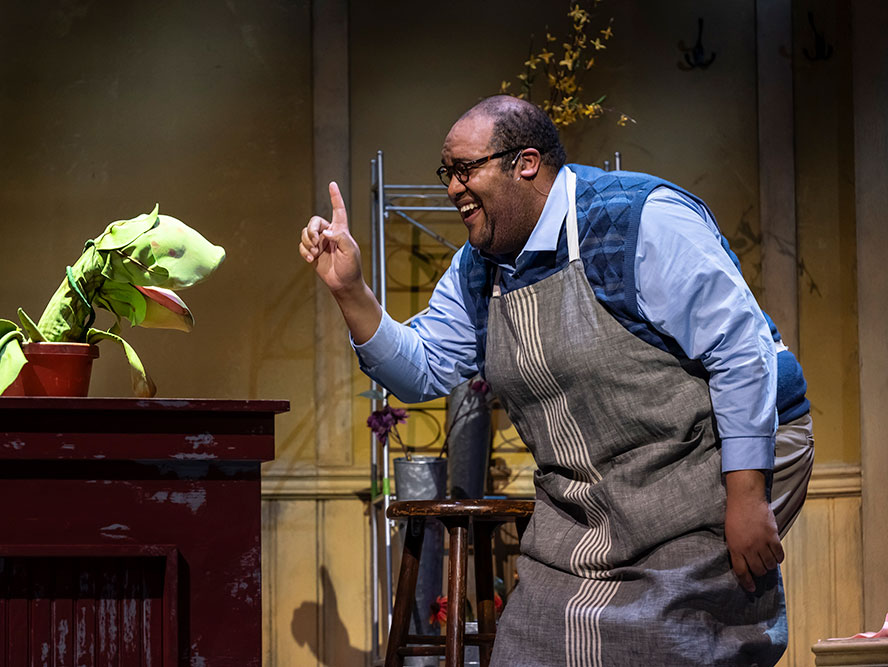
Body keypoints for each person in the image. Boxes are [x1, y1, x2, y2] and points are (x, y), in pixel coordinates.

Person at [299, 95, 811, 666]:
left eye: (466, 170)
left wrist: (747, 496)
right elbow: (422, 369)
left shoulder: (639, 218)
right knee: (535, 644)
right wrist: (351, 292)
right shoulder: (481, 265)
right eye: (448, 173)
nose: (452, 189)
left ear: (526, 162)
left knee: (668, 640)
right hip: (594, 487)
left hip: (716, 454)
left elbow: (741, 352)